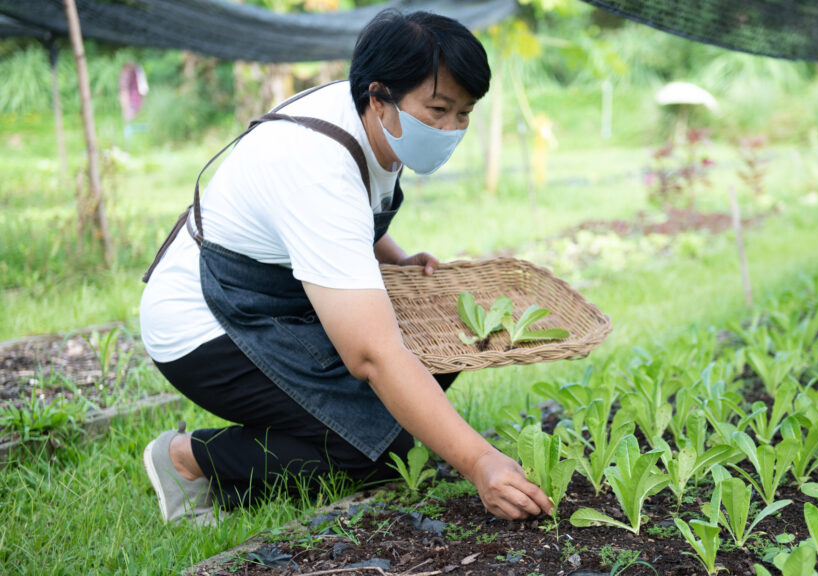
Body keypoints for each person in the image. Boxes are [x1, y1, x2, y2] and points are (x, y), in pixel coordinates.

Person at [139, 9, 551, 525]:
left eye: (464, 113)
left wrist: (395, 258)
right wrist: (480, 461)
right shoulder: (315, 165)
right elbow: (371, 356)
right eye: (439, 109)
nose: (450, 129)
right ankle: (189, 458)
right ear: (380, 98)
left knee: (433, 357)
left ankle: (326, 435)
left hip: (280, 297)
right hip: (206, 322)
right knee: (379, 449)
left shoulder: (371, 114)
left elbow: (352, 211)